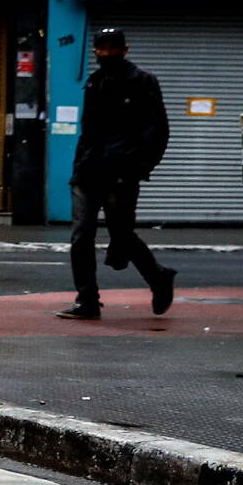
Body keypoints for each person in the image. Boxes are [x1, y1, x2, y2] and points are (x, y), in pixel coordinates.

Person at [63, 26, 176, 321]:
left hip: (121, 174)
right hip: (88, 173)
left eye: (114, 47)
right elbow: (87, 132)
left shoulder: (143, 81)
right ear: (96, 51)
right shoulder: (95, 82)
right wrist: (78, 168)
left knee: (122, 237)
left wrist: (138, 167)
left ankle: (159, 277)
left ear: (125, 50)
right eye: (102, 48)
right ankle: (87, 300)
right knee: (81, 236)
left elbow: (158, 131)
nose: (107, 53)